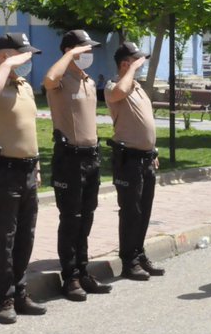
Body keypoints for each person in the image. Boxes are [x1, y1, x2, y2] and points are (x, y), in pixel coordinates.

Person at [0, 33, 47, 324]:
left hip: (26, 170)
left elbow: (27, 129)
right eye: (23, 55)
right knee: (4, 238)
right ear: (5, 56)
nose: (28, 61)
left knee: (25, 237)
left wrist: (36, 166)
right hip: (0, 171)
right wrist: (7, 65)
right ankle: (2, 298)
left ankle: (19, 292)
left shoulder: (23, 85)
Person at [44, 29, 112, 301]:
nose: (88, 55)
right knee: (70, 218)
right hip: (69, 158)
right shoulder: (60, 80)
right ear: (69, 51)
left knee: (87, 216)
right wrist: (70, 54)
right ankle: (69, 276)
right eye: (83, 50)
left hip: (90, 157)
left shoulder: (86, 80)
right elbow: (48, 79)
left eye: (88, 50)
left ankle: (83, 271)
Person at [106, 41, 164, 281]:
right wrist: (130, 69)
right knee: (131, 211)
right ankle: (128, 260)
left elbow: (144, 121)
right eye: (137, 61)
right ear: (124, 64)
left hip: (146, 158)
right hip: (128, 158)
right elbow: (119, 92)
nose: (141, 65)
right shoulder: (113, 87)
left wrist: (153, 150)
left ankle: (139, 254)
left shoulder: (138, 88)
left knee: (144, 210)